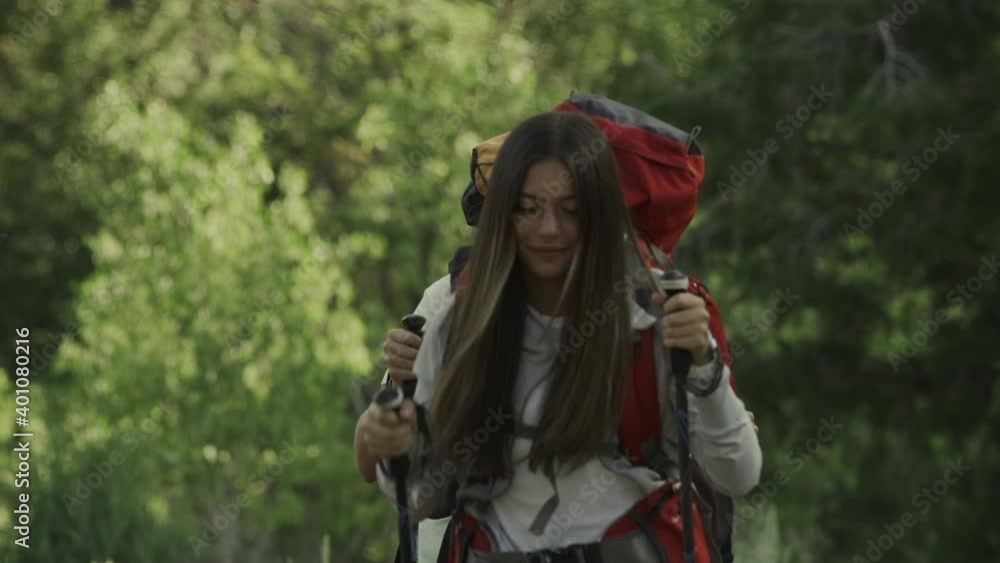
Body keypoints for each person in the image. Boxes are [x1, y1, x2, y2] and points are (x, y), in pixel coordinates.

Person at [358, 111, 762, 562]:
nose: (547, 229)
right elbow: (416, 488)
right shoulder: (456, 315)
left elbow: (736, 470)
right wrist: (394, 437)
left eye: (570, 210)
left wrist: (704, 369)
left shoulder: (657, 315)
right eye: (528, 208)